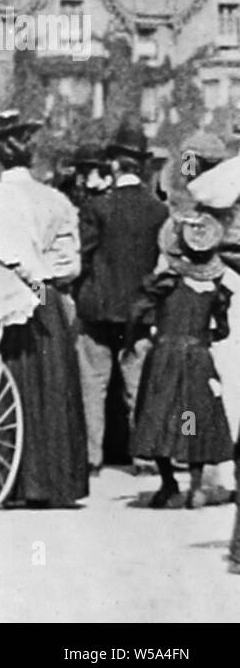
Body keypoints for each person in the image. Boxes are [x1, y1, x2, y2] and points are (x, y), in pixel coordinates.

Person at [0, 111, 88, 507]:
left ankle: (2, 478)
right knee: (50, 377)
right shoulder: (55, 200)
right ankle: (50, 479)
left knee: (0, 377)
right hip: (44, 294)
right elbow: (69, 264)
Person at [75, 122, 169, 475]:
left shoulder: (98, 207)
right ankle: (144, 458)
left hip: (97, 310)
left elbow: (81, 256)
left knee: (92, 387)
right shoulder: (158, 210)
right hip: (139, 313)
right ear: (143, 165)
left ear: (113, 163)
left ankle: (91, 458)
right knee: (138, 385)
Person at [130, 212, 234, 508]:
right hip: (198, 358)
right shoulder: (215, 290)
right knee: (193, 418)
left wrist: (142, 333)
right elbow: (222, 330)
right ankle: (196, 486)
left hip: (165, 355)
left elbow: (139, 312)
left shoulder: (165, 284)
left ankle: (168, 483)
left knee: (160, 416)